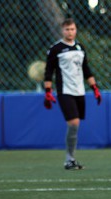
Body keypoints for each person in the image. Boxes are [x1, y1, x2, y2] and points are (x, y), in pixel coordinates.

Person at [44, 18, 102, 170]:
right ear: (62, 31)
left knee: (76, 124)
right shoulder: (56, 49)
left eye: (72, 29)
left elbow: (86, 69)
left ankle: (71, 159)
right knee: (73, 123)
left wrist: (94, 87)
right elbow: (48, 72)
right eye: (67, 29)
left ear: (76, 30)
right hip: (65, 90)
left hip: (79, 91)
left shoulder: (80, 47)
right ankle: (69, 159)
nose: (70, 32)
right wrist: (48, 91)